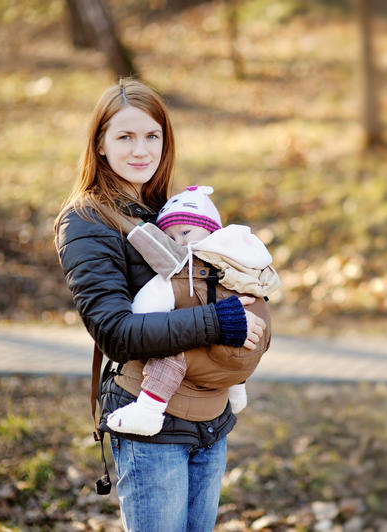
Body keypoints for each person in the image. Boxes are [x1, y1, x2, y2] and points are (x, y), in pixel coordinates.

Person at [54, 78, 267, 532]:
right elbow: (117, 332)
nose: (141, 150)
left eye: (152, 136)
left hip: (210, 421)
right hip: (152, 429)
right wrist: (219, 321)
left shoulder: (169, 212)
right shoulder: (86, 220)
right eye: (125, 136)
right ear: (101, 144)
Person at [106, 184, 280, 437]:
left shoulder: (188, 268)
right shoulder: (245, 261)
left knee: (168, 352)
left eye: (186, 231)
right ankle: (237, 388)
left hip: (225, 357)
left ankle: (148, 411)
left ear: (210, 229)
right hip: (247, 359)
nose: (181, 242)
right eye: (172, 238)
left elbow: (144, 309)